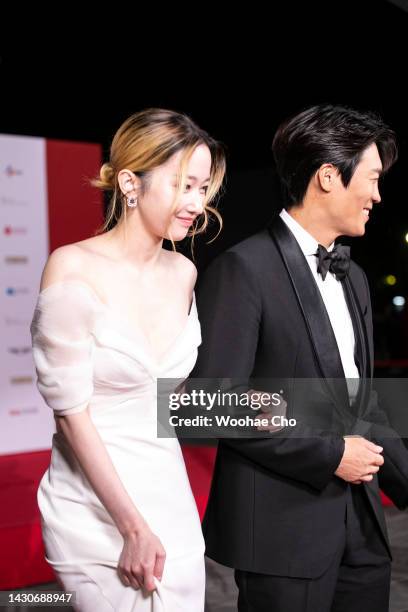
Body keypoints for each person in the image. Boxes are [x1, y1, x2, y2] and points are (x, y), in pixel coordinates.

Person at [191, 105, 408, 611]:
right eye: (372, 179)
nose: (377, 195)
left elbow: (362, 403)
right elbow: (206, 402)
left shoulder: (353, 276)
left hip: (364, 529)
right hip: (280, 532)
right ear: (329, 176)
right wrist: (331, 454)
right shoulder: (243, 270)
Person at [30, 108, 225, 611]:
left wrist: (279, 409)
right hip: (93, 509)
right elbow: (71, 415)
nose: (196, 204)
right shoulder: (73, 266)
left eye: (203, 188)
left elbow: (164, 402)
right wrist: (133, 527)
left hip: (170, 497)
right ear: (129, 183)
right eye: (183, 185)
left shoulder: (185, 273)